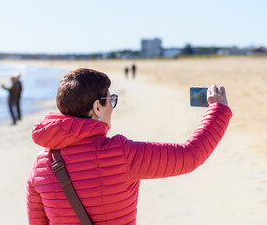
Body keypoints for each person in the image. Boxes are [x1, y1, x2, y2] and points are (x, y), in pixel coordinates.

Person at [27, 68, 232, 224]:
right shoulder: (122, 154)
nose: (112, 108)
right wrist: (218, 110)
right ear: (97, 107)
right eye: (111, 100)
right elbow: (190, 156)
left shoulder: (40, 166)